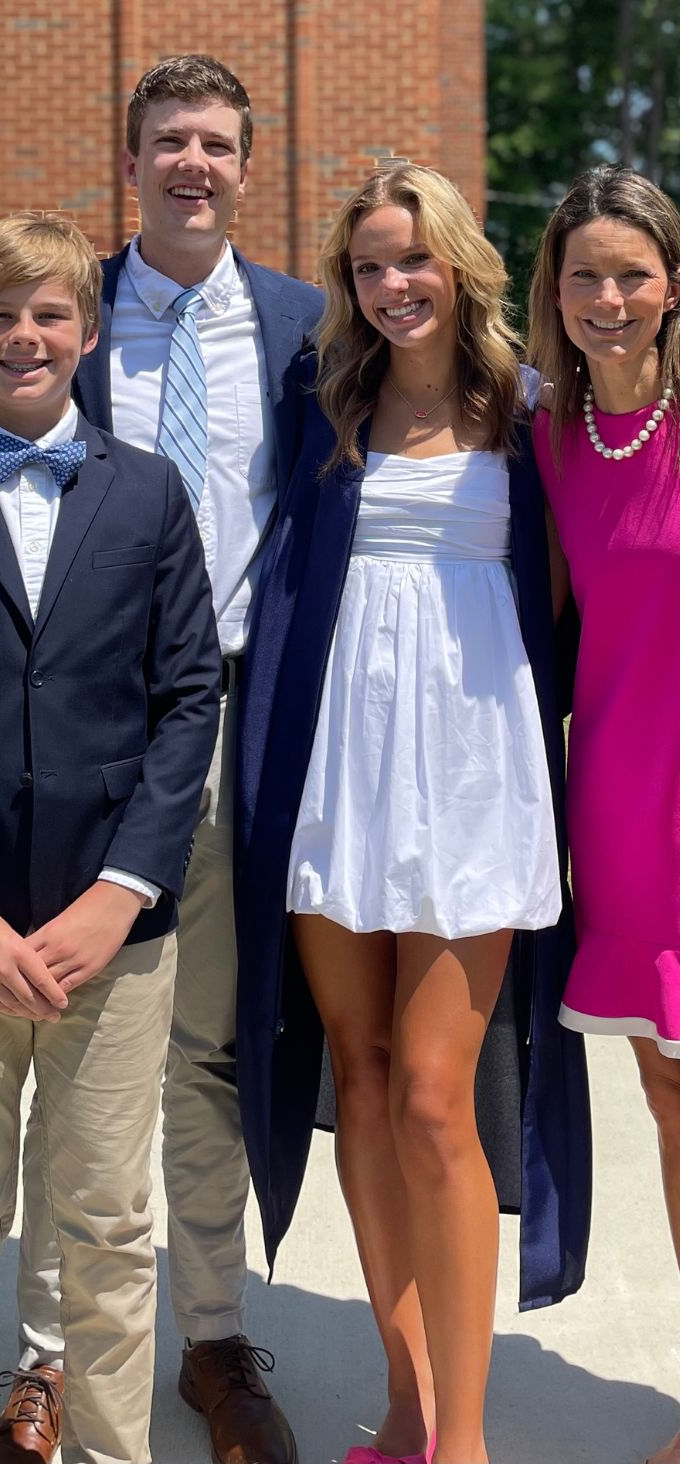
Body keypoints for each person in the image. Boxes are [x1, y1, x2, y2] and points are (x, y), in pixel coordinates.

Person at [234, 163, 593, 1464]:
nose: (394, 285)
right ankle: (405, 1401)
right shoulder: (325, 405)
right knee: (367, 1074)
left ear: (462, 266)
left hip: (473, 781)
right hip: (338, 768)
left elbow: (579, 590)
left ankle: (469, 1438)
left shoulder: (531, 413)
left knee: (441, 1096)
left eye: (415, 259)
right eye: (370, 265)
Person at [0, 53, 321, 1464]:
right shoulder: (72, 317)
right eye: (168, 141)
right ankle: (52, 1354)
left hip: (249, 731)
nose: (193, 163)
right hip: (91, 730)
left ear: (250, 163)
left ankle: (209, 1333)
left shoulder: (310, 326)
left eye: (216, 143)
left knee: (204, 1053)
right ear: (130, 161)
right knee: (66, 1030)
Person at [0, 211, 220, 1464]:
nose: (25, 335)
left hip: (112, 940)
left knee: (111, 1228)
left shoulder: (151, 492)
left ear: (89, 331)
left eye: (50, 312)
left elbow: (188, 702)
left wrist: (120, 893)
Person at [528, 163, 680, 1464]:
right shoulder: (553, 443)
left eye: (631, 272)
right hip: (624, 818)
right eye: (584, 275)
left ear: (672, 284)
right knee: (671, 1100)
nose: (609, 297)